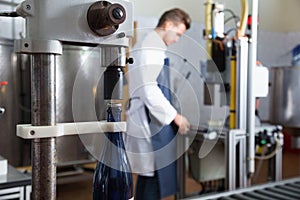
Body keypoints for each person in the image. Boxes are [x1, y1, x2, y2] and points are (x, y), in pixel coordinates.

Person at [125, 8, 191, 199]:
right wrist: (175, 116)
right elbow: (149, 90)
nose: (177, 39)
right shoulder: (150, 49)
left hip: (147, 117)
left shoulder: (148, 45)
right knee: (154, 180)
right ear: (168, 25)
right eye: (178, 34)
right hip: (149, 120)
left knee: (149, 177)